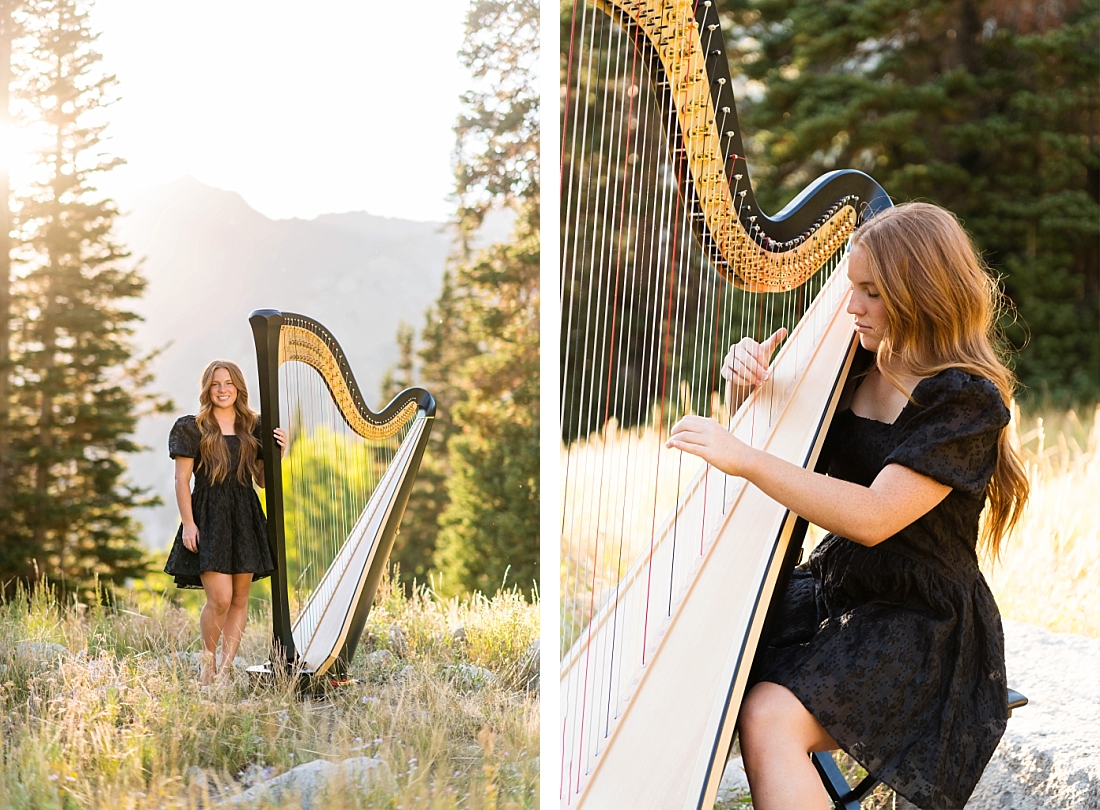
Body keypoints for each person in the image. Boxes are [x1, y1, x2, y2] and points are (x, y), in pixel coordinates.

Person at [667, 202, 1029, 810]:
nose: (852, 306)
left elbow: (870, 516)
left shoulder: (965, 403)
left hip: (921, 622)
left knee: (766, 715)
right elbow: (785, 446)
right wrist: (751, 382)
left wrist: (745, 459)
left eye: (871, 292)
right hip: (838, 593)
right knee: (700, 664)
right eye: (851, 288)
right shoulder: (846, 365)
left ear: (923, 294)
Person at [164, 360, 286, 686]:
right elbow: (181, 480)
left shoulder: (254, 426)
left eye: (228, 383)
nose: (222, 389)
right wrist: (188, 524)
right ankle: (207, 666)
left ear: (238, 388)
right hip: (208, 515)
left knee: (240, 599)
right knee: (219, 599)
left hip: (245, 514)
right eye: (216, 383)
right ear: (207, 388)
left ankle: (224, 672)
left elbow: (261, 481)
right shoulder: (191, 427)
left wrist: (279, 454)